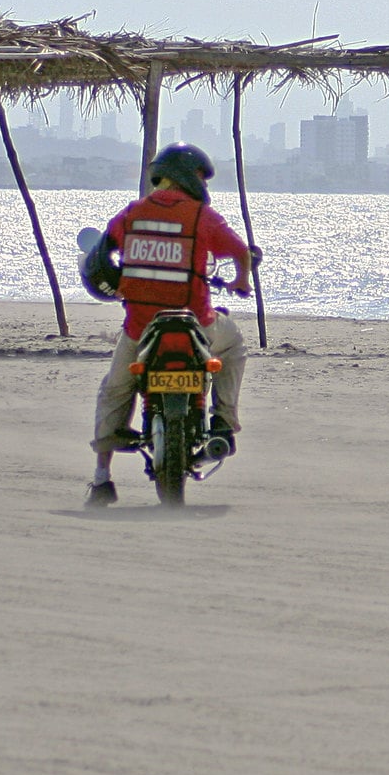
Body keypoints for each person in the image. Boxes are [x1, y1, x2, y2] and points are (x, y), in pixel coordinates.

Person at [84, 144, 255, 508]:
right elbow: (241, 251)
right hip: (197, 324)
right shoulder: (202, 217)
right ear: (188, 177)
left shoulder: (133, 213)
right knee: (235, 345)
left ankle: (102, 478)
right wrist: (241, 281)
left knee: (115, 389)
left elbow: (102, 254)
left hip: (141, 329)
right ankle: (223, 423)